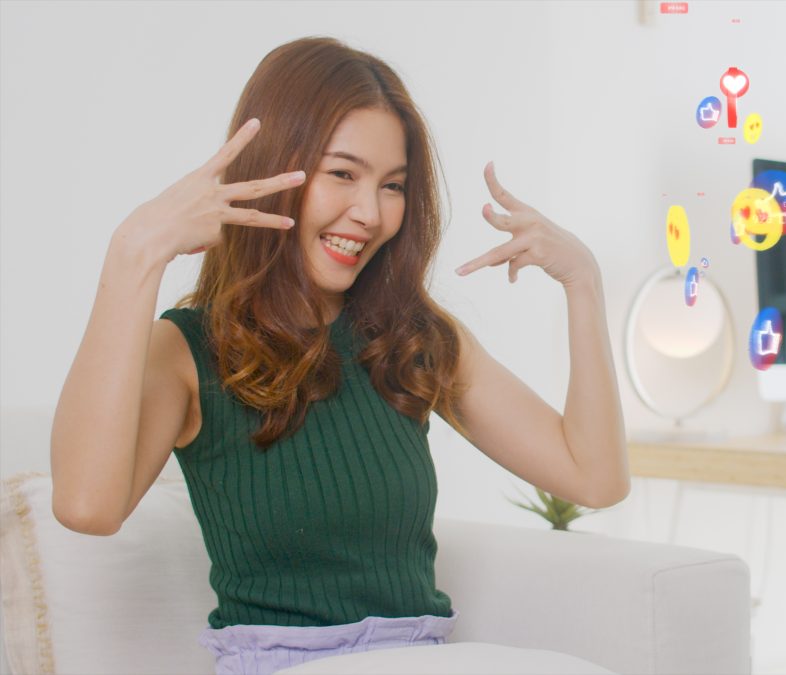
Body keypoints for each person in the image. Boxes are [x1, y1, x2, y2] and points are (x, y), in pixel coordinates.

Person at [49, 36, 629, 674]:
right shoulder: (189, 350)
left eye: (393, 186)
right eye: (343, 174)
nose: (369, 213)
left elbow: (594, 477)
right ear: (275, 169)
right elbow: (87, 507)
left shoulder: (412, 340)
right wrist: (135, 252)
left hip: (419, 660)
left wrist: (584, 283)